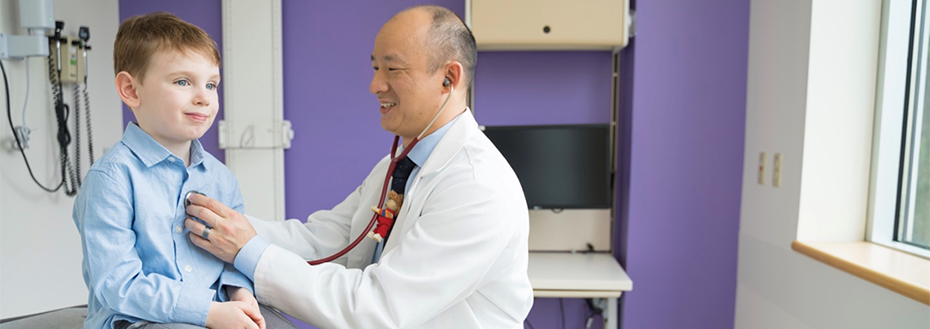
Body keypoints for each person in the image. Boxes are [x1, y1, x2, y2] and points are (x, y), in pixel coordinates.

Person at [183, 5, 534, 329]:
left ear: (449, 78)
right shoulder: (398, 166)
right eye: (375, 68)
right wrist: (223, 225)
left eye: (392, 69)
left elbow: (378, 307)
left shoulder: (477, 188)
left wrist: (247, 251)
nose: (375, 85)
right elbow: (328, 241)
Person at [72, 12, 295, 329]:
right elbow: (119, 284)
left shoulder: (221, 178)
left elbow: (231, 257)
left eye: (211, 84)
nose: (204, 97)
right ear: (131, 90)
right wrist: (209, 312)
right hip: (139, 319)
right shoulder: (111, 180)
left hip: (216, 309)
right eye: (182, 82)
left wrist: (241, 294)